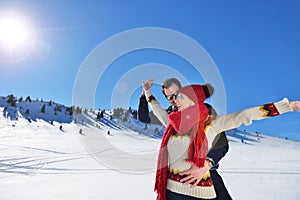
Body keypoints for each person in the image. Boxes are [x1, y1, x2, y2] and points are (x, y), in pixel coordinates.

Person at [153, 84, 300, 200]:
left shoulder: (213, 123)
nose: (175, 101)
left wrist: (288, 106)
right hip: (170, 190)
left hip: (199, 190)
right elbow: (158, 111)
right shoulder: (172, 124)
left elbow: (246, 115)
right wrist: (148, 94)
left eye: (180, 97)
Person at [139, 78, 231, 199]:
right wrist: (144, 93)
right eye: (169, 97)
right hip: (176, 178)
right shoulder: (171, 117)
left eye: (176, 94)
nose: (174, 100)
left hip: (206, 174)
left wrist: (206, 164)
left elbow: (221, 143)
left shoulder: (204, 110)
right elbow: (144, 117)